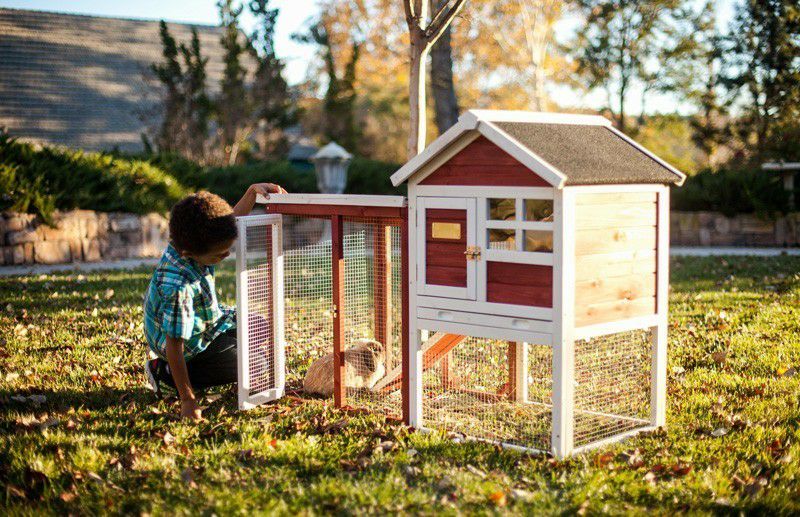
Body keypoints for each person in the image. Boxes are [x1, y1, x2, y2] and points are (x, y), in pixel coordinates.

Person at [143, 184, 285, 420]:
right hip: (185, 344)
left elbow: (228, 221)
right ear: (189, 254)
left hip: (207, 320)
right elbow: (174, 345)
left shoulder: (189, 238)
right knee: (256, 365)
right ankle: (164, 374)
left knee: (262, 328)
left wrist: (251, 193)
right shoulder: (178, 288)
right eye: (220, 254)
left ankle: (218, 359)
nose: (226, 255)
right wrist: (188, 400)